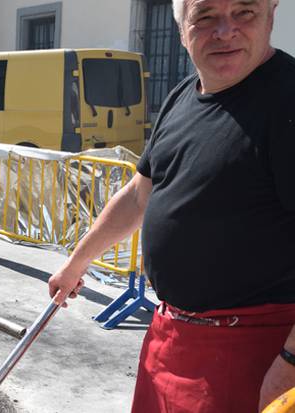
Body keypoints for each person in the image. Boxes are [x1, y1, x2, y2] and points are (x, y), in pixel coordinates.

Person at [47, 0, 295, 411]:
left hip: (257, 350)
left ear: (271, 15)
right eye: (206, 16)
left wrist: (290, 363)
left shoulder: (288, 100)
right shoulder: (183, 95)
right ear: (182, 30)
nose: (225, 31)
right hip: (171, 340)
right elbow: (139, 195)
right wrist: (77, 262)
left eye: (244, 13)